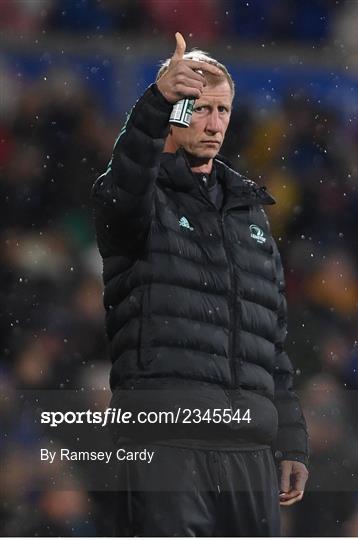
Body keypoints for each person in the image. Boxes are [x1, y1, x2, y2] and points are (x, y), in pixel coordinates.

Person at [91, 32, 309, 537]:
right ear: (177, 113)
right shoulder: (137, 200)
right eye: (199, 109)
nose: (214, 124)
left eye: (223, 111)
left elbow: (269, 342)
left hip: (249, 451)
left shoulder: (250, 214)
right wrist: (156, 103)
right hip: (169, 441)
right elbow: (127, 179)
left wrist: (291, 440)